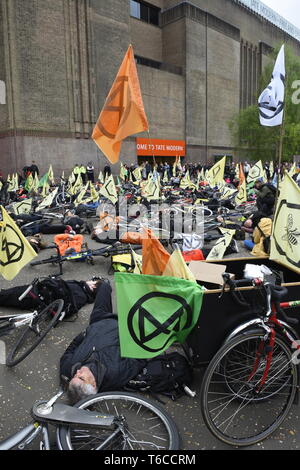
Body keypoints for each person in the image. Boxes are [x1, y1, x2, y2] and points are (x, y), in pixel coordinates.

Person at [60, 280, 146, 403]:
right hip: (125, 325)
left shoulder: (69, 368)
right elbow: (140, 359)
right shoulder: (115, 374)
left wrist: (84, 334)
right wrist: (131, 334)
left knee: (104, 286)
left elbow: (70, 350)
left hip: (98, 320)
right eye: (81, 377)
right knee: (136, 294)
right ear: (93, 384)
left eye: (74, 376)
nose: (78, 372)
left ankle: (95, 284)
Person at [0, 277, 103, 313]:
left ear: (93, 287)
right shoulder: (81, 288)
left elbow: (66, 309)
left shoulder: (82, 296)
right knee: (7, 293)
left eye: (93, 281)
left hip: (35, 296)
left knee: (5, 296)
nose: (90, 280)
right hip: (38, 290)